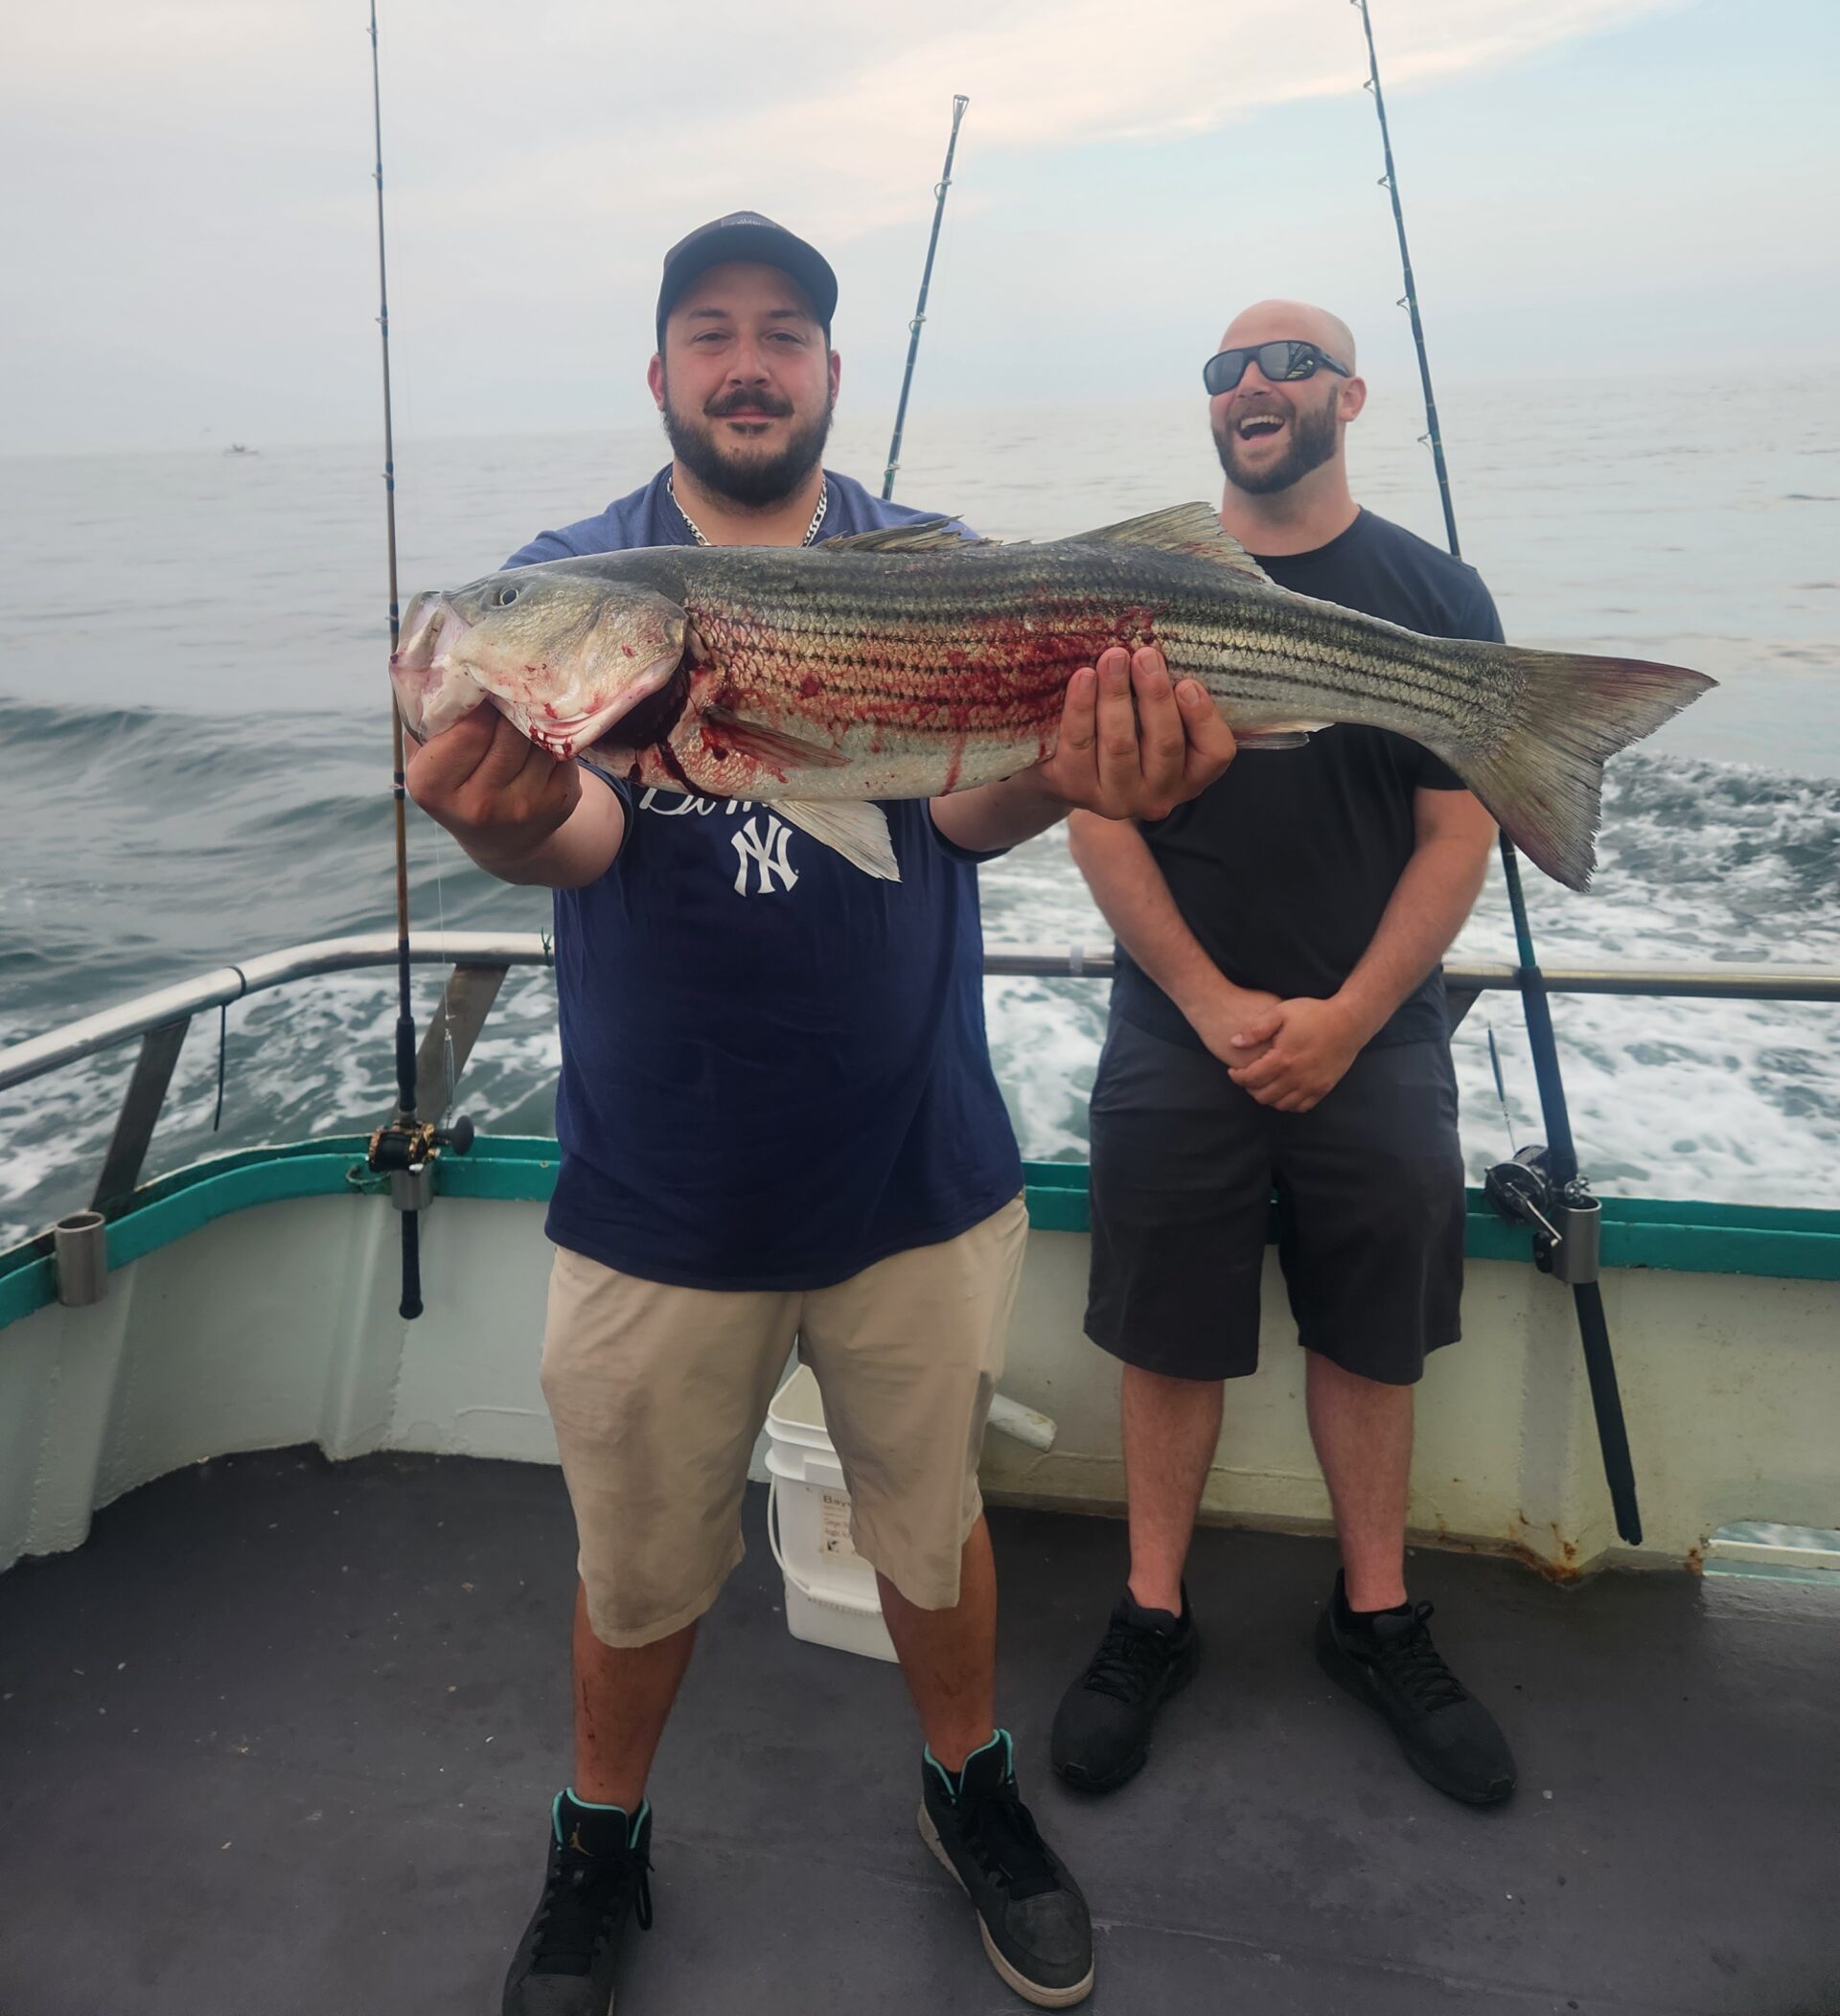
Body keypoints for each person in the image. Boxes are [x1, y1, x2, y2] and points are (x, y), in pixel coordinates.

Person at [405, 211, 1238, 2013]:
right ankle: (598, 1842)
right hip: (658, 1187)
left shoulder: (933, 571)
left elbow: (952, 812)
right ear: (660, 377)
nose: (749, 362)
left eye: (784, 332)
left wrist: (1077, 772)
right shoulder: (581, 577)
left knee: (932, 1533)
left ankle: (971, 1793)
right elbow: (588, 831)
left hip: (915, 1169)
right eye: (709, 332)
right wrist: (488, 816)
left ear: (831, 375)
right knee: (638, 1570)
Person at [1050, 298, 1517, 1812]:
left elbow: (1462, 825)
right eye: (1226, 368)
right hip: (1177, 1021)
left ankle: (1375, 1618)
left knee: (1370, 1329)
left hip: (1372, 1030)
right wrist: (1200, 1001)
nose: (1253, 383)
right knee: (1167, 1328)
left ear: (1352, 397)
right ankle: (1151, 1614)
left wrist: (1351, 1019)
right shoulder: (1136, 586)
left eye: (1289, 361)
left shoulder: (1434, 592)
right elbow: (1092, 809)